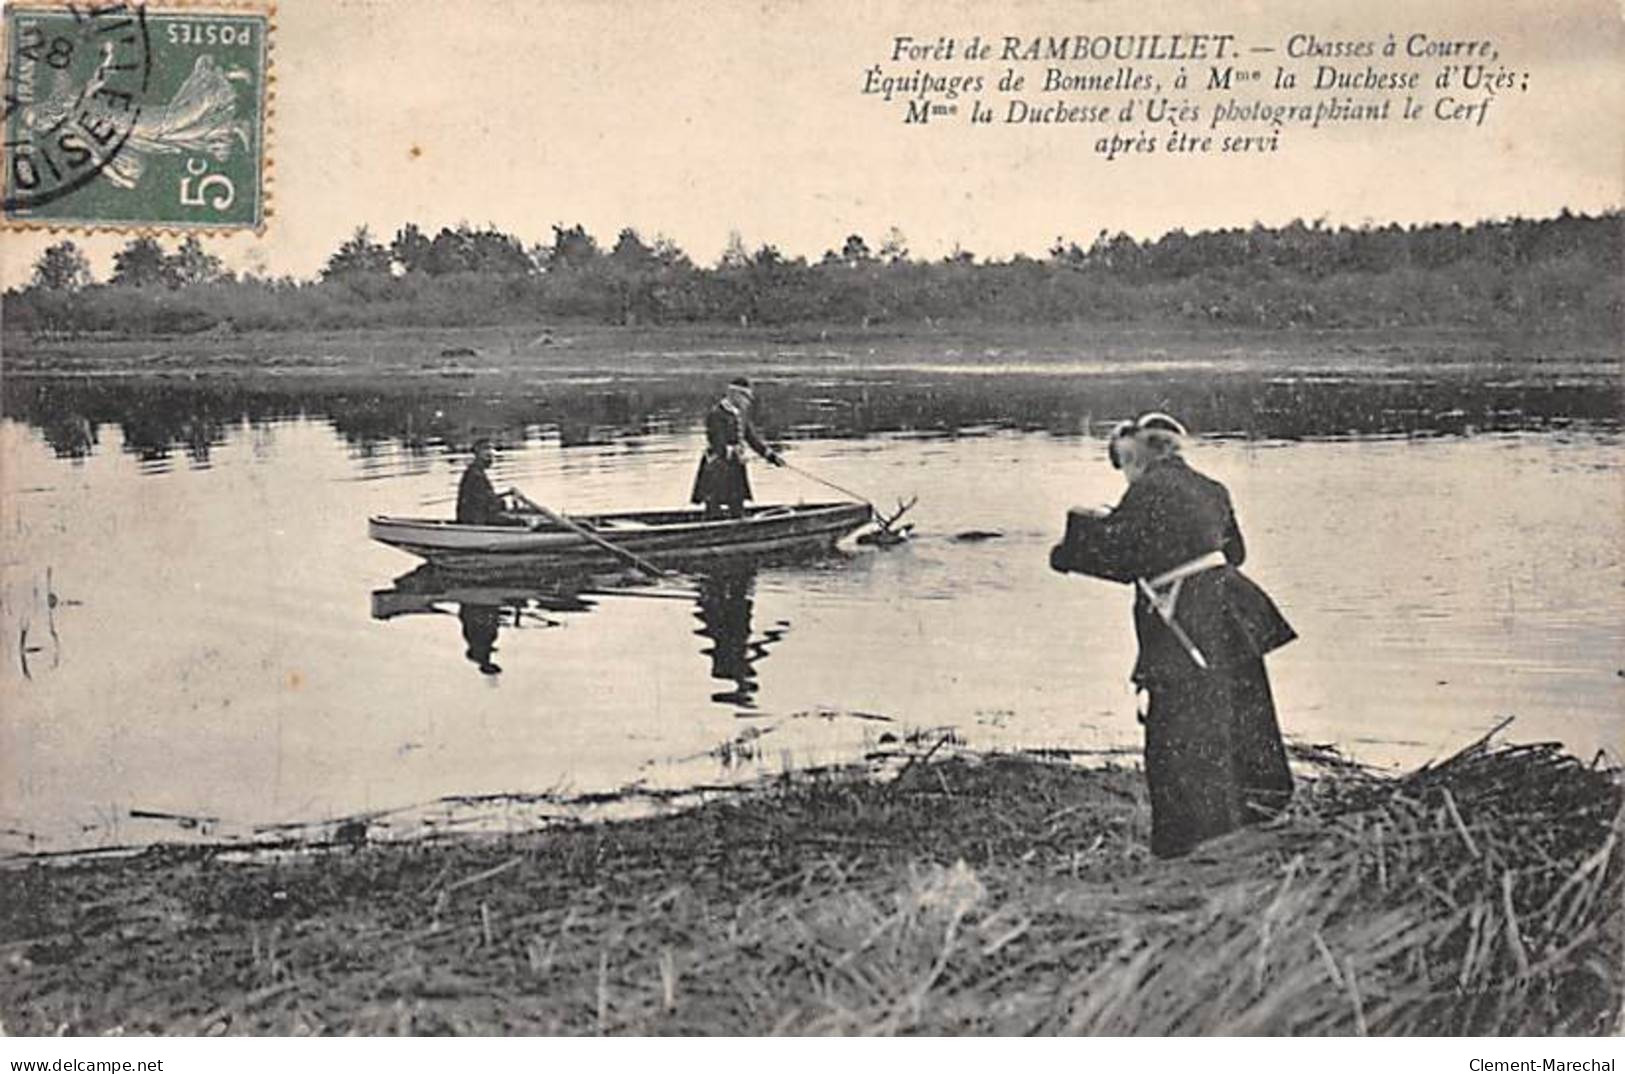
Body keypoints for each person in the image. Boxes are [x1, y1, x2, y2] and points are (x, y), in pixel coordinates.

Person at [1049, 412, 1297, 859]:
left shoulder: (1147, 490)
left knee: (1179, 726)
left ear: (1140, 456)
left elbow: (1123, 560)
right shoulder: (1212, 488)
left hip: (1186, 620)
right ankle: (1256, 815)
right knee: (1239, 714)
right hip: (1230, 610)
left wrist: (1070, 550)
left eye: (1124, 463)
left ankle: (1192, 842)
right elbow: (1234, 553)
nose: (1125, 475)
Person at [690, 377, 785, 519]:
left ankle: (738, 526)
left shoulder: (740, 414)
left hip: (734, 465)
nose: (747, 402)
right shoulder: (716, 414)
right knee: (713, 502)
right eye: (745, 397)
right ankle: (712, 531)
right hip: (717, 465)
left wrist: (771, 456)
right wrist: (733, 452)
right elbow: (716, 442)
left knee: (737, 500)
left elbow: (752, 439)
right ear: (734, 395)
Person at [456, 438, 523, 525]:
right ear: (477, 454)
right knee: (520, 522)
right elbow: (485, 501)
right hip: (475, 519)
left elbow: (487, 497)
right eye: (488, 455)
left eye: (491, 455)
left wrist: (507, 494)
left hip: (477, 516)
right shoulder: (475, 475)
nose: (491, 458)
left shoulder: (476, 472)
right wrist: (503, 501)